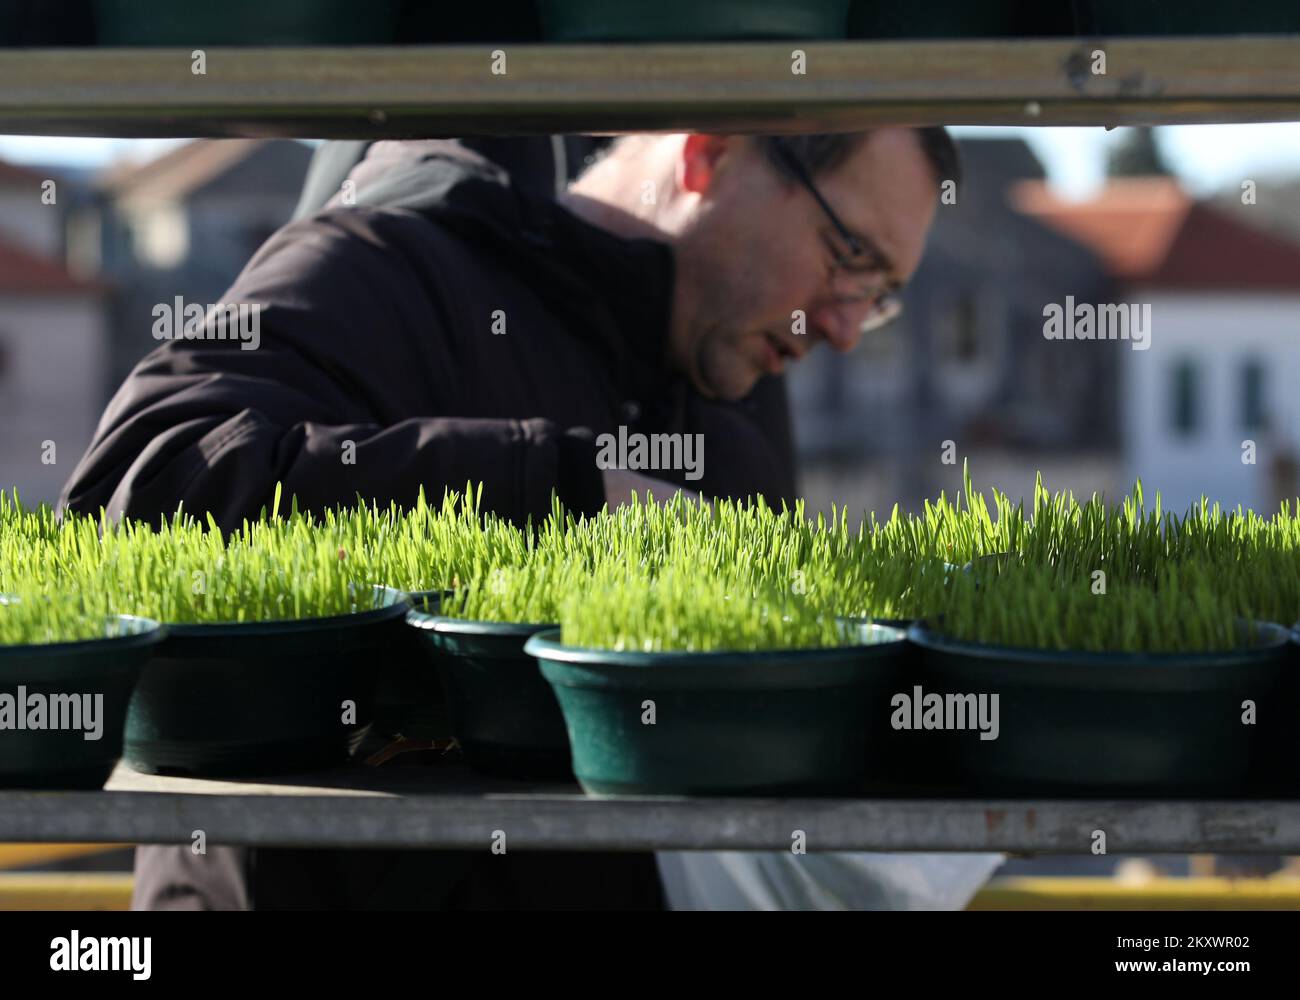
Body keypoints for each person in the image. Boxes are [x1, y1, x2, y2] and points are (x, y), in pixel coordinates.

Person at [61, 127, 956, 909]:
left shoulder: (740, 397)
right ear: (708, 153)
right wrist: (561, 490)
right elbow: (135, 489)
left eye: (881, 294)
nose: (847, 327)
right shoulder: (394, 255)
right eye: (849, 256)